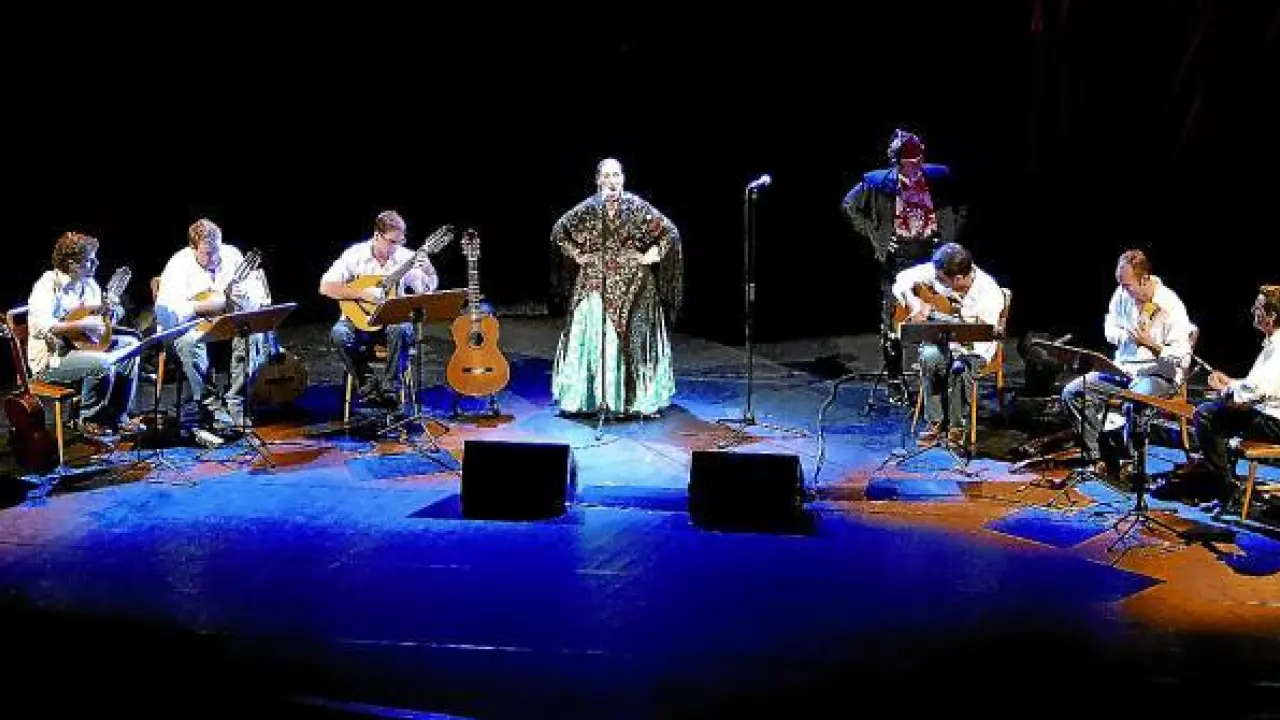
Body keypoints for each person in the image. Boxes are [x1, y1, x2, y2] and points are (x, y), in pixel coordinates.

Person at [548, 157, 682, 417]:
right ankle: (589, 399)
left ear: (623, 178)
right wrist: (577, 255)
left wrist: (653, 253)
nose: (612, 181)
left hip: (634, 283)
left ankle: (634, 401)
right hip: (595, 281)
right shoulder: (589, 209)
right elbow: (559, 231)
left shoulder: (637, 207)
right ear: (598, 180)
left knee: (634, 336)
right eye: (607, 176)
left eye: (616, 175)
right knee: (593, 330)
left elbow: (670, 233)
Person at [843, 128, 967, 401]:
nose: (914, 167)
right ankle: (895, 379)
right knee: (894, 318)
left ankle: (938, 373)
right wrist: (876, 235)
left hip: (932, 254)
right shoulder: (877, 182)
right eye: (908, 163)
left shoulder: (938, 177)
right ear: (897, 162)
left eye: (918, 161)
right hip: (898, 257)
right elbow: (849, 205)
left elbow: (962, 206)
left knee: (940, 312)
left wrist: (950, 233)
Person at [1061, 250, 1194, 475]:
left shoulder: (1171, 306)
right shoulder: (1121, 295)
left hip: (1158, 374)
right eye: (1121, 285)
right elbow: (1109, 329)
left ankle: (1132, 462)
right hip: (1123, 369)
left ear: (1144, 279)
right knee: (1073, 392)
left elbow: (1183, 357)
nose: (1123, 291)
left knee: (1135, 401)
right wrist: (1127, 336)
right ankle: (1097, 457)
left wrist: (1152, 346)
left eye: (1127, 286)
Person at [156, 218, 272, 429]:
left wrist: (243, 297)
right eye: (208, 254)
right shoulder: (178, 265)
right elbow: (167, 314)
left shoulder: (232, 255)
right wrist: (201, 306)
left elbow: (257, 298)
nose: (215, 258)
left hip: (227, 326)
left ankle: (237, 402)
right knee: (188, 343)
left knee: (254, 334)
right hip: (193, 325)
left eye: (217, 251)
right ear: (193, 248)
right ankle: (211, 406)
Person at [26, 231, 143, 438]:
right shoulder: (47, 286)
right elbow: (42, 326)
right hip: (53, 360)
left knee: (131, 346)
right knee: (102, 363)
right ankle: (89, 419)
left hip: (83, 348)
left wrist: (111, 313)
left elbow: (99, 324)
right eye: (90, 260)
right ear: (71, 264)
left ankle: (117, 415)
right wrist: (81, 324)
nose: (96, 264)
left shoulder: (89, 284)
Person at [319, 210, 438, 409]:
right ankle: (369, 386)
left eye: (400, 241)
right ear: (377, 235)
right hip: (359, 322)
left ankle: (391, 390)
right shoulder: (355, 255)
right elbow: (326, 287)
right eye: (392, 242)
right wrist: (363, 294)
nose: (396, 247)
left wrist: (428, 270)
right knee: (339, 334)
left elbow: (424, 291)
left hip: (392, 324)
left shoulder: (406, 257)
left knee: (400, 329)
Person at [891, 242, 1004, 444]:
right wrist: (917, 305)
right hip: (943, 340)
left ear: (958, 278)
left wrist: (951, 331)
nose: (937, 281)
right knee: (930, 356)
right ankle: (935, 421)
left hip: (974, 347)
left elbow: (982, 338)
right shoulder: (941, 271)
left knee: (960, 367)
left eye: (941, 280)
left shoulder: (989, 294)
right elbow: (901, 279)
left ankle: (957, 427)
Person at [1183, 285, 1280, 508]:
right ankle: (1223, 481)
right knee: (1218, 410)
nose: (1253, 311)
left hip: (1275, 423)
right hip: (1270, 414)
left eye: (1258, 308)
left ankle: (1226, 490)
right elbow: (1257, 384)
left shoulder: (1278, 347)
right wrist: (1230, 383)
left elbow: (1256, 391)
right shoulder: (1273, 343)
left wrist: (1225, 391)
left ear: (1272, 315)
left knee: (1206, 415)